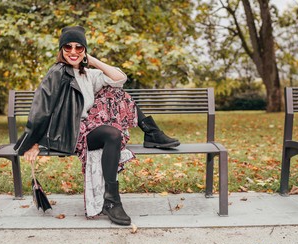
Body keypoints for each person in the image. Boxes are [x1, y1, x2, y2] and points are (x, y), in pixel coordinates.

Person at [14, 26, 179, 226]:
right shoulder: (57, 73)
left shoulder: (88, 74)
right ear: (61, 50)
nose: (73, 52)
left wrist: (92, 61)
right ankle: (113, 200)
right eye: (68, 47)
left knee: (118, 92)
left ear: (85, 50)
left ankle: (151, 133)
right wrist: (32, 142)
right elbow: (41, 109)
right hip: (71, 132)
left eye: (79, 47)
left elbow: (120, 78)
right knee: (113, 134)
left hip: (90, 126)